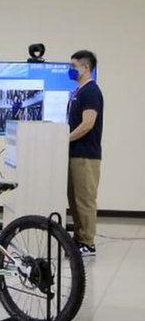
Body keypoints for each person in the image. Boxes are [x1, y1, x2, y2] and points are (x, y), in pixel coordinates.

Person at [66, 50, 103, 257]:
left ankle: (88, 242)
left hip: (86, 156)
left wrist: (65, 139)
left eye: (73, 66)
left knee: (85, 199)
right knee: (74, 198)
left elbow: (88, 124)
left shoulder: (91, 91)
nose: (70, 70)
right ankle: (78, 238)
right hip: (74, 154)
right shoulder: (78, 92)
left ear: (86, 67)